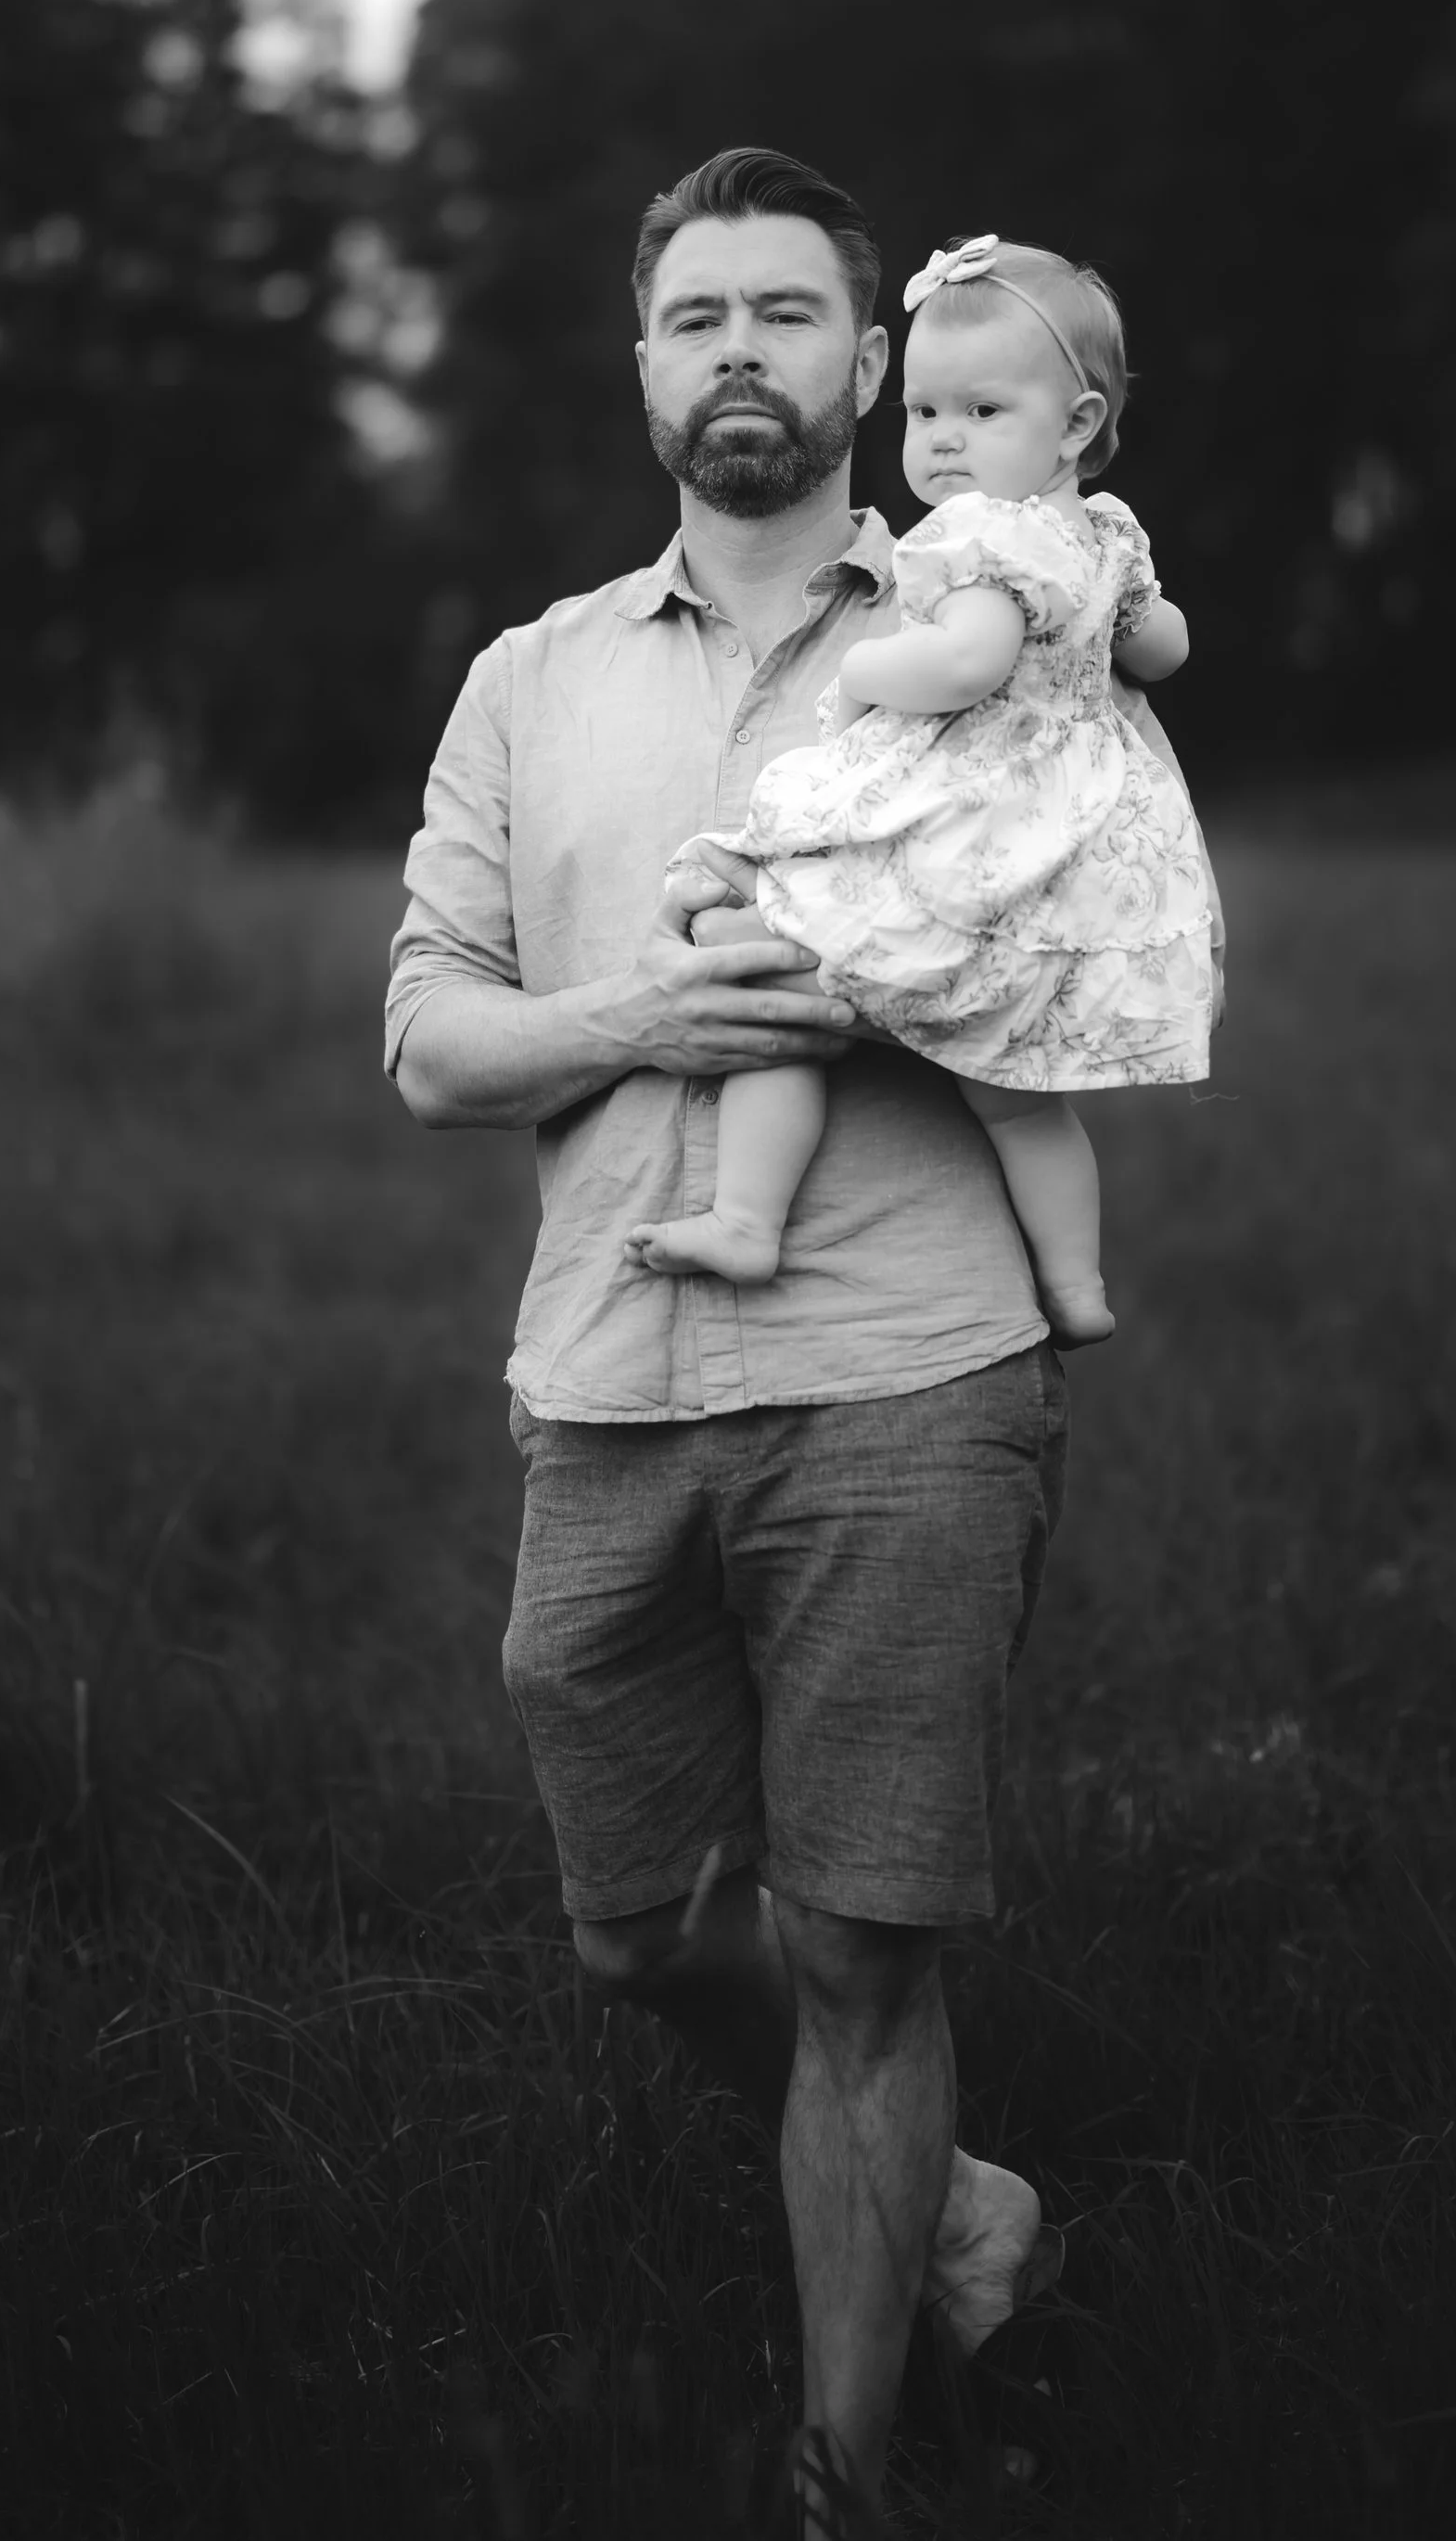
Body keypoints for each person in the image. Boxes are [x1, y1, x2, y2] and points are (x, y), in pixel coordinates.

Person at [386, 147, 1173, 2530]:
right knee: (636, 1928)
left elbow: (1092, 922)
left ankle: (846, 2467)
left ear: (871, 365)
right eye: (693, 313)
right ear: (642, 363)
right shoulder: (531, 677)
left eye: (787, 314)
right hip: (611, 1377)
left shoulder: (993, 607)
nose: (740, 350)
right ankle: (951, 2212)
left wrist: (903, 960)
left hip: (914, 1371)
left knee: (858, 1946)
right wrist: (651, 997)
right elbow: (431, 1037)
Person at [624, 232, 1217, 1346]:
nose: (943, 443)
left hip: (970, 834)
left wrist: (860, 669)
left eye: (981, 415)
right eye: (927, 415)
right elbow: (1165, 649)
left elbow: (965, 664)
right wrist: (1109, 638)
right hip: (1065, 846)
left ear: (1077, 426)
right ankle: (1077, 1287)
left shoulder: (979, 535)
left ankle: (748, 1217)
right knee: (1019, 1099)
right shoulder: (1105, 534)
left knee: (780, 966)